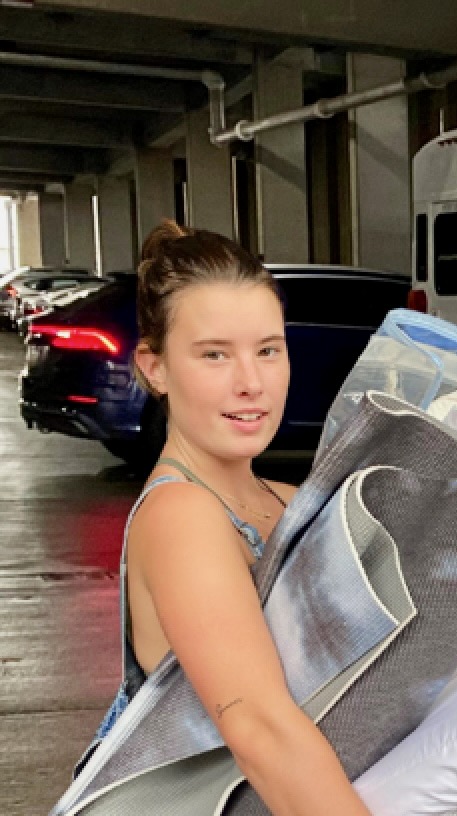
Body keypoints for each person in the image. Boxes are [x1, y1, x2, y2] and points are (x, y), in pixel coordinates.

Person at [80, 222, 372, 813]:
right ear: (155, 367)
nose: (251, 383)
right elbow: (261, 731)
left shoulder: (291, 499)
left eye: (268, 349)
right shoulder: (182, 515)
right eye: (214, 354)